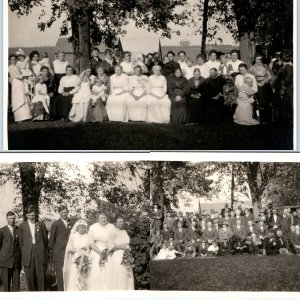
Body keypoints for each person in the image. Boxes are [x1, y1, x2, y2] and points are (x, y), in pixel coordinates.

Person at [18, 206, 48, 291]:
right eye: (30, 215)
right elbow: (21, 242)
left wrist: (42, 250)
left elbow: (45, 239)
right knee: (30, 277)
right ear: (27, 215)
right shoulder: (22, 226)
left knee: (41, 276)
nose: (32, 217)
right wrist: (26, 251)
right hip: (28, 253)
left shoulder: (41, 224)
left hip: (39, 252)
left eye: (33, 215)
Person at [87, 213, 116, 290]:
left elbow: (114, 241)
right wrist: (100, 253)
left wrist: (109, 250)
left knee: (108, 271)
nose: (103, 220)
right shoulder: (92, 227)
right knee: (96, 272)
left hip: (108, 251)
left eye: (105, 218)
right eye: (101, 218)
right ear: (98, 219)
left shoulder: (112, 226)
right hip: (96, 251)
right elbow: (91, 243)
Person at [49, 205, 71, 291]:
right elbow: (52, 240)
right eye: (62, 212)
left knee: (69, 275)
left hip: (69, 253)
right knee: (60, 276)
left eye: (65, 212)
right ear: (59, 213)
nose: (64, 214)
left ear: (67, 212)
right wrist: (55, 252)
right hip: (59, 254)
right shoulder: (56, 224)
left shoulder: (71, 223)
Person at [63, 220, 89, 291]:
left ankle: (82, 289)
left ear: (85, 228)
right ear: (77, 228)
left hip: (85, 256)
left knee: (84, 274)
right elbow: (69, 248)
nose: (81, 229)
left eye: (83, 228)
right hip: (75, 257)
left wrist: (85, 253)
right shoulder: (73, 236)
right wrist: (78, 251)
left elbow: (88, 247)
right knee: (75, 274)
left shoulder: (87, 236)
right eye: (80, 228)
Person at [0, 211, 22, 292]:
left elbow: (20, 245)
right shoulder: (2, 230)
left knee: (16, 287)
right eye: (10, 218)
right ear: (6, 219)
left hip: (16, 262)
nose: (12, 220)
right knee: (6, 286)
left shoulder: (18, 229)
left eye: (13, 218)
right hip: (5, 261)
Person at [249, 54, 273, 124]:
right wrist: (257, 83)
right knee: (259, 102)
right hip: (256, 85)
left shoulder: (265, 66)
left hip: (265, 85)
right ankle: (260, 119)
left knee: (266, 102)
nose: (259, 61)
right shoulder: (252, 68)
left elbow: (269, 76)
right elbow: (250, 77)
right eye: (257, 59)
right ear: (255, 60)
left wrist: (264, 82)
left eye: (260, 59)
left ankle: (267, 119)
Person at [8, 54, 32, 122]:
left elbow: (21, 74)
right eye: (12, 59)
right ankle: (19, 117)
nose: (13, 60)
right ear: (10, 60)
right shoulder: (10, 67)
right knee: (18, 98)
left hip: (21, 82)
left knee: (24, 96)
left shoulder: (17, 66)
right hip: (16, 83)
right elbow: (17, 76)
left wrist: (26, 79)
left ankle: (26, 116)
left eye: (14, 59)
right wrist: (25, 76)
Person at [273, 51, 293, 124]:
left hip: (288, 89)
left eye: (280, 59)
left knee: (290, 104)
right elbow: (276, 74)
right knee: (284, 104)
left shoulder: (289, 67)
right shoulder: (283, 67)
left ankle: (291, 121)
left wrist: (283, 88)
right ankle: (285, 120)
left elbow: (288, 79)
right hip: (283, 88)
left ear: (282, 59)